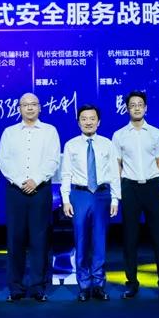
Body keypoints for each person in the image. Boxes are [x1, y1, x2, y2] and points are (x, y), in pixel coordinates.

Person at [0, 93, 61, 302]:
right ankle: (15, 288)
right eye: (25, 105)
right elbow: (4, 160)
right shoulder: (9, 132)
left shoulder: (50, 131)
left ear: (40, 107)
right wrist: (20, 181)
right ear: (19, 108)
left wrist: (36, 180)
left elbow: (53, 160)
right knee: (15, 239)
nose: (30, 108)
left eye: (34, 104)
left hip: (40, 190)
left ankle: (38, 287)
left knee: (39, 240)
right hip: (15, 191)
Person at [112, 91, 159, 300]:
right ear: (127, 109)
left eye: (140, 104)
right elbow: (118, 164)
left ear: (145, 108)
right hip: (129, 188)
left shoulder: (156, 133)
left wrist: (150, 176)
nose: (137, 108)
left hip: (152, 187)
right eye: (132, 105)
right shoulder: (119, 135)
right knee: (130, 238)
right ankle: (131, 283)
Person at [61, 104, 121, 302]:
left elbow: (114, 173)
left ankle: (99, 284)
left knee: (100, 241)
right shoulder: (71, 145)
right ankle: (84, 285)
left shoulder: (107, 144)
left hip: (102, 195)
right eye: (84, 119)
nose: (88, 122)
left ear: (99, 121)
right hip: (79, 195)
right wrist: (66, 199)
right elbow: (66, 174)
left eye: (92, 118)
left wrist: (115, 198)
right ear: (78, 122)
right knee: (81, 240)